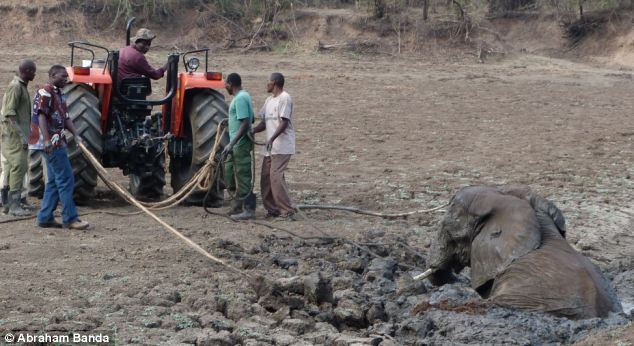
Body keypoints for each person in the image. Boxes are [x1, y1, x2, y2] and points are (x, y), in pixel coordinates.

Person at [28, 65, 89, 230]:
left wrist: (76, 134)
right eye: (62, 76)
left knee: (55, 181)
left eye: (66, 76)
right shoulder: (45, 92)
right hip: (50, 143)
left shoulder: (59, 94)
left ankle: (45, 217)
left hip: (57, 141)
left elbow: (66, 117)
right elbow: (41, 115)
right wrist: (47, 140)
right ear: (52, 75)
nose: (66, 79)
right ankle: (70, 218)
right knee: (66, 179)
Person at [253, 72, 297, 219]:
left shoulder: (285, 98)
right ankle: (272, 209)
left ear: (276, 83)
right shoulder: (269, 100)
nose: (267, 83)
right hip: (270, 147)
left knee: (275, 176)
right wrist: (252, 131)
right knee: (266, 178)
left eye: (269, 81)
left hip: (282, 146)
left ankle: (286, 210)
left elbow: (284, 122)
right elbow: (264, 123)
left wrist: (272, 138)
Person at [1, 59, 36, 216]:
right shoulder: (16, 87)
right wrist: (22, 136)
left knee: (12, 168)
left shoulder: (21, 86)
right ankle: (14, 206)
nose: (35, 74)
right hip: (14, 137)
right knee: (18, 167)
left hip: (14, 136)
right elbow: (10, 113)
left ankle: (9, 204)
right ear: (27, 71)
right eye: (33, 71)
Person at [220, 73, 256, 221]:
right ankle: (236, 206)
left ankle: (249, 210)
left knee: (243, 175)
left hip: (240, 143)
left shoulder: (240, 98)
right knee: (229, 172)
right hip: (236, 142)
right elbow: (250, 118)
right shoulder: (241, 97)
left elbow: (246, 122)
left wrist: (231, 143)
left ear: (231, 84)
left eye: (226, 84)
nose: (225, 87)